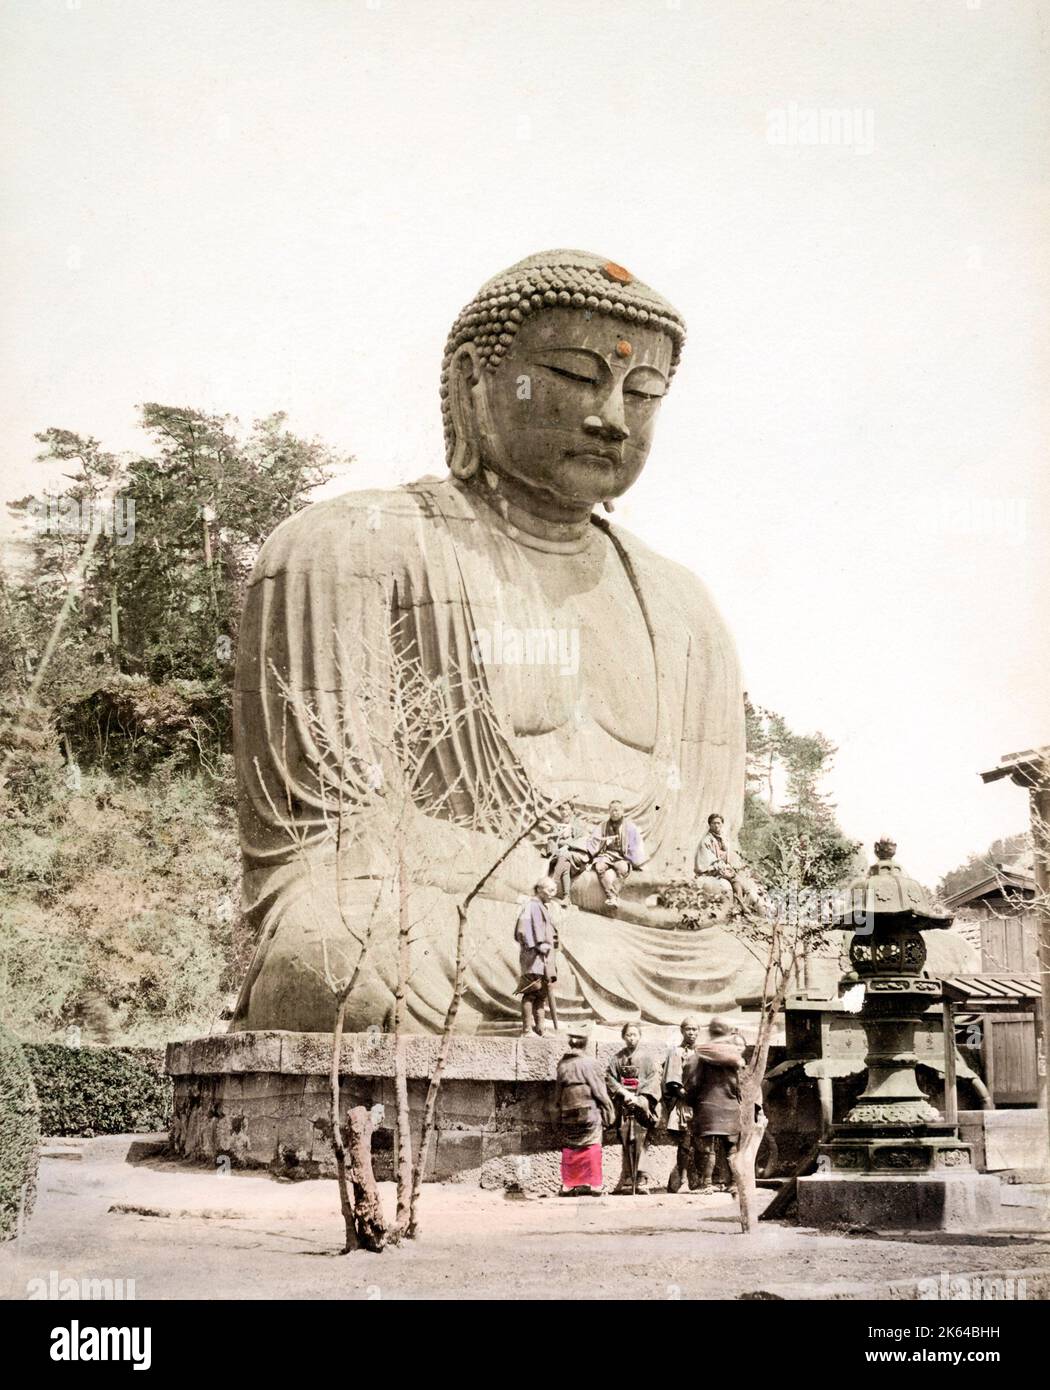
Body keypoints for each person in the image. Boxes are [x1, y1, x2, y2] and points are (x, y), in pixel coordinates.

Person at [686, 1017, 747, 1195]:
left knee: (708, 1148)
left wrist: (690, 1099)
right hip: (730, 1105)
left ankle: (707, 1184)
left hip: (708, 1106)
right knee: (731, 1147)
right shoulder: (735, 1054)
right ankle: (734, 1183)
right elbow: (740, 1083)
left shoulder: (703, 1052)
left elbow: (694, 1080)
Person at [554, 1024, 615, 1196]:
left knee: (570, 1145)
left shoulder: (562, 1065)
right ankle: (595, 1184)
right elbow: (599, 1091)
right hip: (588, 1110)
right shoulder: (591, 1063)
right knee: (593, 1144)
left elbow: (557, 1093)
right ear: (585, 1043)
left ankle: (568, 1184)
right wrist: (609, 1109)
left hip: (568, 1109)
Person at [605, 1022, 661, 1194]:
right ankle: (629, 1178)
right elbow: (609, 1078)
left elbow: (653, 1080)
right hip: (625, 1104)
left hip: (642, 1106)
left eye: (635, 1034)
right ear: (623, 1037)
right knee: (626, 1139)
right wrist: (623, 1093)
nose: (631, 1038)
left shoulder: (647, 1058)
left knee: (642, 1140)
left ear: (640, 1036)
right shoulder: (617, 1058)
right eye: (628, 1035)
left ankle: (642, 1179)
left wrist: (640, 1099)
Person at [513, 878, 558, 1036]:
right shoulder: (530, 906)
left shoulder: (542, 907)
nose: (553, 894)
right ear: (539, 889)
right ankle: (527, 1030)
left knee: (542, 994)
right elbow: (522, 931)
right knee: (531, 991)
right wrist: (538, 945)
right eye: (550, 890)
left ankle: (540, 1029)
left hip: (544, 958)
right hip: (533, 957)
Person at [662, 1017, 701, 1192]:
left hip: (701, 1103)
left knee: (702, 1143)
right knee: (685, 1142)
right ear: (682, 1031)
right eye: (688, 1029)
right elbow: (672, 1081)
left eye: (694, 1029)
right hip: (684, 1102)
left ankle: (702, 1180)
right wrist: (685, 1095)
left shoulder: (702, 1052)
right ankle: (682, 1180)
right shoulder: (675, 1052)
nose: (691, 1032)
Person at [695, 813, 759, 916]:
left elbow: (727, 857)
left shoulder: (723, 839)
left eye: (719, 823)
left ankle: (742, 906)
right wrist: (721, 867)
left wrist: (728, 866)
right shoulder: (706, 841)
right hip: (710, 869)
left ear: (722, 825)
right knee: (735, 879)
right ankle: (740, 907)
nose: (717, 826)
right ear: (710, 825)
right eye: (714, 823)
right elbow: (708, 859)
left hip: (723, 868)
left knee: (741, 882)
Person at [588, 800, 646, 914]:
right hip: (606, 854)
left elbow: (636, 845)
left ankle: (613, 896)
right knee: (599, 867)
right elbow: (594, 840)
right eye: (612, 810)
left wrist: (634, 860)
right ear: (609, 811)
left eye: (617, 810)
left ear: (622, 811)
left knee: (623, 869)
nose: (614, 813)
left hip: (621, 856)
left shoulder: (630, 827)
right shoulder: (603, 826)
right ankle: (611, 896)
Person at [545, 799, 591, 904]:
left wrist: (569, 844)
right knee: (565, 864)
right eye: (561, 809)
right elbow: (550, 840)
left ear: (572, 811)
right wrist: (555, 841)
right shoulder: (556, 826)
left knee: (564, 856)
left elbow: (585, 840)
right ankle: (566, 897)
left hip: (576, 853)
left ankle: (552, 883)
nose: (564, 812)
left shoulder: (579, 824)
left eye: (566, 809)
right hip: (561, 855)